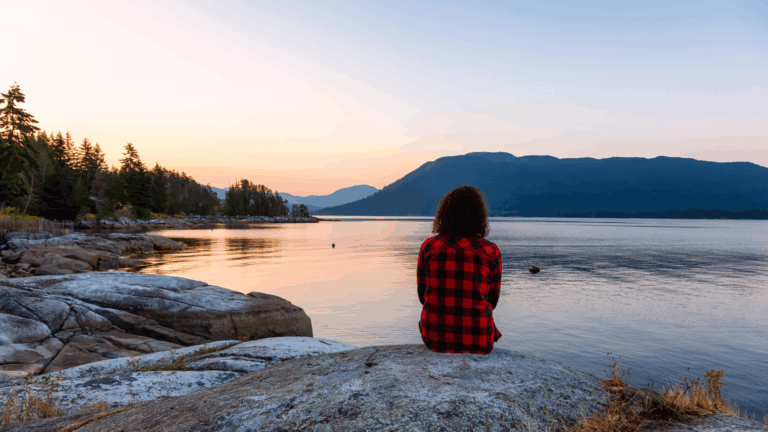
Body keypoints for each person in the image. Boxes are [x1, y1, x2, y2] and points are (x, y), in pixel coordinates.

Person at [417, 185, 502, 354]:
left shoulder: (429, 247)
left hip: (435, 338)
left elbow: (422, 296)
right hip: (480, 340)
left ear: (444, 214)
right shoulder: (490, 251)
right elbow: (492, 301)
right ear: (479, 217)